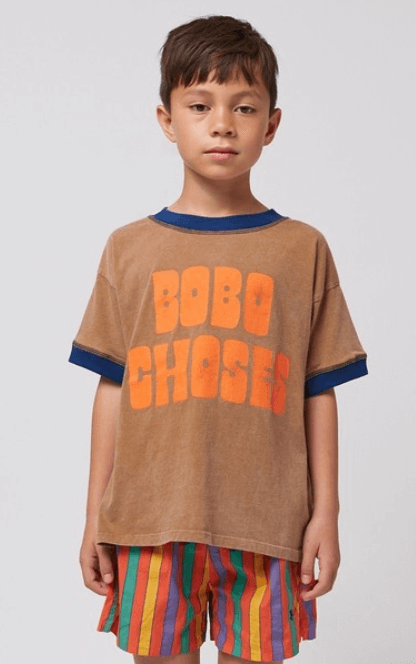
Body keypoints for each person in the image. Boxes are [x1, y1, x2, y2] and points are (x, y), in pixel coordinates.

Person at [68, 14, 368, 664]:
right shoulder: (128, 249)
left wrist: (327, 512)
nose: (223, 124)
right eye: (200, 105)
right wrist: (95, 514)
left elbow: (319, 390)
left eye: (244, 107)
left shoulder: (301, 250)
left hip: (268, 526)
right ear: (167, 119)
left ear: (272, 124)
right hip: (148, 523)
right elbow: (112, 387)